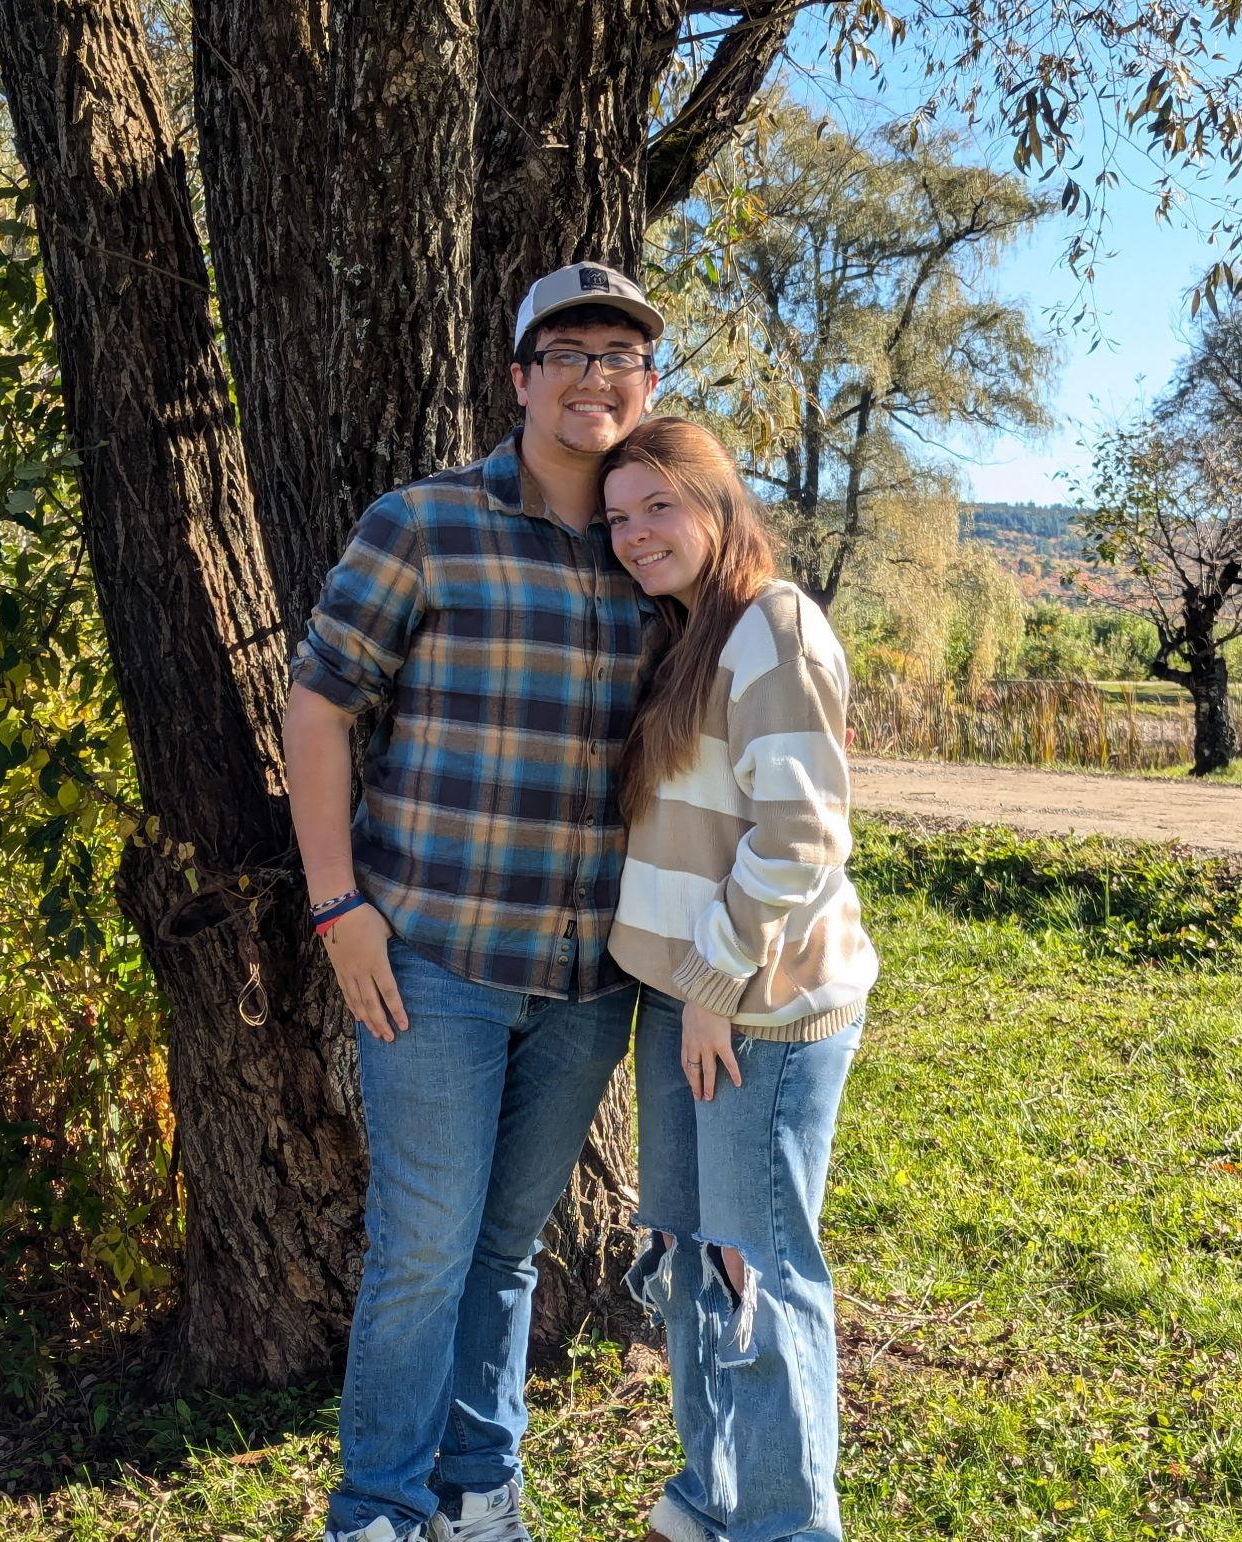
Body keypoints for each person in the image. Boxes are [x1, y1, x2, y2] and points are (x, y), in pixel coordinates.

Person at [284, 263, 664, 1542]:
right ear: (518, 377)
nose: (594, 376)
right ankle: (378, 1510)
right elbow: (321, 706)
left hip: (587, 983)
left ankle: (477, 1492)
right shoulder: (426, 523)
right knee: (422, 1256)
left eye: (621, 356)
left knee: (509, 1252)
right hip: (431, 963)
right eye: (568, 352)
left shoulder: (656, 547)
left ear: (647, 385)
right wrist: (340, 909)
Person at [599, 418, 879, 1542]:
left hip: (756, 1009)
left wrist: (714, 985)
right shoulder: (692, 634)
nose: (634, 535)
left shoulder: (776, 628)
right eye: (618, 517)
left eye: (658, 506)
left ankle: (784, 1526)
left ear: (719, 501)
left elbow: (803, 837)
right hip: (688, 997)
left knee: (754, 1270)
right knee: (687, 1258)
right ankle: (711, 1496)